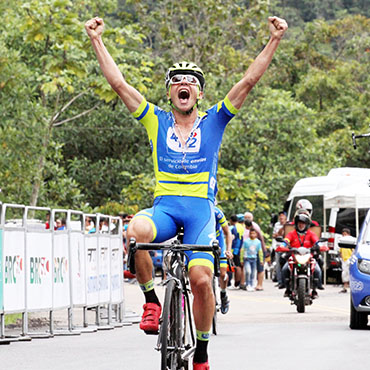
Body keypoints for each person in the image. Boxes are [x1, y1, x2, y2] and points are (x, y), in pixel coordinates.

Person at [85, 15, 287, 369]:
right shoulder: (155, 119)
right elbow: (119, 84)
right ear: (169, 92)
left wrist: (274, 39)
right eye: (176, 81)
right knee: (136, 231)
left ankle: (203, 353)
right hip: (164, 209)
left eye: (190, 82)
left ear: (199, 93)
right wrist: (96, 40)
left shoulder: (214, 120)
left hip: (200, 213)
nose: (183, 85)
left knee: (201, 280)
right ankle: (151, 302)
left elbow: (249, 80)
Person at [281, 212, 324, 298]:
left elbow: (316, 242)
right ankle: (287, 288)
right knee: (285, 269)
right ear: (296, 224)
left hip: (308, 257)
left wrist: (320, 246)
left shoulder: (311, 234)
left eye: (303, 223)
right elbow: (286, 241)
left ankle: (315, 289)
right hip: (294, 257)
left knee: (317, 270)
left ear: (307, 224)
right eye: (299, 223)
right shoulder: (292, 234)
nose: (301, 225)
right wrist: (282, 246)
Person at [214, 206, 233, 313]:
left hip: (218, 242)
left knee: (222, 273)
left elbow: (227, 233)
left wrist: (229, 250)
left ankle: (223, 293)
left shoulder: (217, 212)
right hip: (204, 242)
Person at [244, 212, 267, 291]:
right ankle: (248, 284)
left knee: (260, 267)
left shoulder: (255, 227)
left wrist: (263, 252)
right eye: (245, 217)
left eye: (248, 217)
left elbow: (261, 239)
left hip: (258, 249)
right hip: (249, 252)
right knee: (249, 270)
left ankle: (259, 284)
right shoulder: (245, 228)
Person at [272, 211, 287, 288]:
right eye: (280, 216)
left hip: (287, 247)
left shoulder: (289, 225)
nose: (281, 218)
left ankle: (286, 281)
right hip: (278, 246)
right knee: (278, 264)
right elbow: (275, 235)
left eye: (283, 216)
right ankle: (280, 281)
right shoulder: (276, 225)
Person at [229, 214, 244, 289]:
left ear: (231, 220)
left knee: (236, 266)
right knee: (238, 266)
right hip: (240, 248)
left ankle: (236, 284)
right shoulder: (241, 227)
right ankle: (237, 283)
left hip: (234, 249)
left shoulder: (232, 228)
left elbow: (233, 239)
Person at [339, 228, 353, 293]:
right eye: (343, 234)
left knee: (350, 273)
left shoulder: (351, 241)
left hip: (350, 258)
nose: (344, 236)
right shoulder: (342, 242)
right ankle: (345, 286)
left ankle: (350, 286)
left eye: (345, 234)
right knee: (344, 273)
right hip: (344, 259)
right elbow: (341, 251)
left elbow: (353, 250)